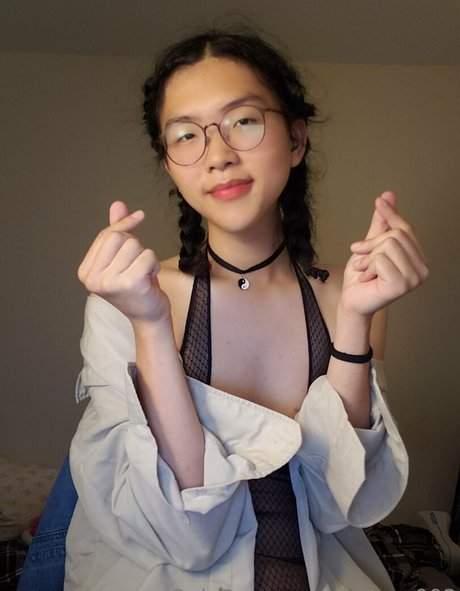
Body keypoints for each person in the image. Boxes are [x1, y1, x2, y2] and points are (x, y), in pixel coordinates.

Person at [63, 28, 428, 591]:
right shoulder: (127, 299)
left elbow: (338, 505)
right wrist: (150, 325)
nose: (218, 155)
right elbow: (184, 537)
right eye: (187, 135)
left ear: (296, 139)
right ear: (169, 164)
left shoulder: (356, 294)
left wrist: (355, 321)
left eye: (244, 121)